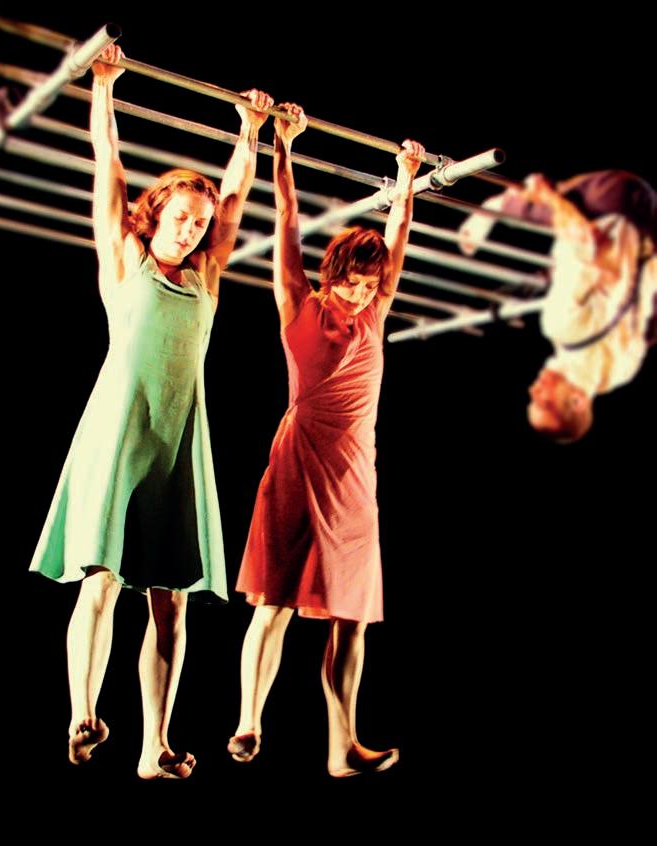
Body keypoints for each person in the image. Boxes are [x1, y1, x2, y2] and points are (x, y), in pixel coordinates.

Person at [29, 43, 272, 778]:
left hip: (177, 438)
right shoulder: (125, 261)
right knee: (101, 580)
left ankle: (153, 745)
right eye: (183, 217)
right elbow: (107, 167)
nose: (193, 229)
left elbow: (235, 198)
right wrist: (103, 86)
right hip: (120, 429)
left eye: (201, 222)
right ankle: (81, 713)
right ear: (157, 212)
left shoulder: (207, 277)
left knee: (172, 602)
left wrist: (251, 131)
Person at [228, 101, 424, 777]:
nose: (360, 294)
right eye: (350, 283)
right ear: (331, 275)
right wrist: (281, 148)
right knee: (276, 600)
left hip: (355, 474)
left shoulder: (377, 308)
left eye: (370, 285)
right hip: (300, 458)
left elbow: (398, 232)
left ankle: (344, 745)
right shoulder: (300, 301)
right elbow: (285, 220)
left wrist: (406, 177)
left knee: (353, 615)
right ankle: (249, 719)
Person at [459, 170, 656, 443]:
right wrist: (546, 196)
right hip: (614, 200)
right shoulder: (560, 327)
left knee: (566, 271)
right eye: (545, 402)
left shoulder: (621, 373)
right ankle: (497, 206)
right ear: (577, 402)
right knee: (535, 203)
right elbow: (584, 239)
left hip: (646, 215)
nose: (533, 391)